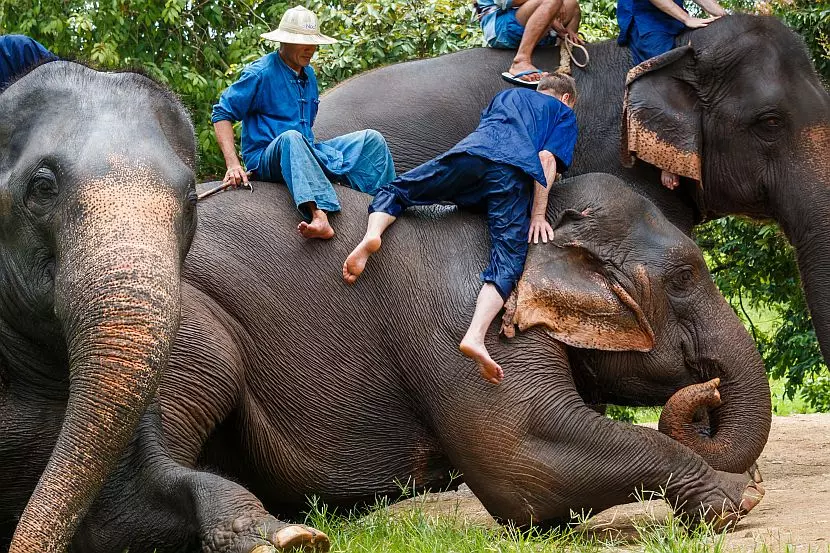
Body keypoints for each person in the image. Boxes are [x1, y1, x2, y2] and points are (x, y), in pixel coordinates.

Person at [343, 74, 578, 385]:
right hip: (509, 174)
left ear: (539, 89)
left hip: (468, 156)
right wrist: (537, 214)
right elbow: (546, 158)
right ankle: (476, 335)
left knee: (398, 189)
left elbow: (492, 133)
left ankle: (373, 234)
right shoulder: (563, 112)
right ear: (565, 98)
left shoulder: (506, 97)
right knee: (507, 259)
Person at [211, 6, 395, 240]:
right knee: (291, 138)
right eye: (303, 42)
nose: (311, 49)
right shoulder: (260, 73)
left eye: (313, 42)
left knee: (371, 140)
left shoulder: (309, 76)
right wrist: (232, 164)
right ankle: (318, 215)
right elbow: (221, 114)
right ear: (284, 42)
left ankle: (383, 204)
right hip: (268, 156)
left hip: (305, 149)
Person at [617, 0, 726, 190]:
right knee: (665, 78)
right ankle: (666, 159)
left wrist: (725, 17)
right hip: (646, 19)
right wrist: (686, 18)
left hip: (672, 18)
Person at [474, 0, 580, 86]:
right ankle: (520, 61)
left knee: (572, 4)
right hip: (502, 27)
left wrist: (564, 28)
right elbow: (507, 2)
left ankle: (564, 62)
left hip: (532, 24)